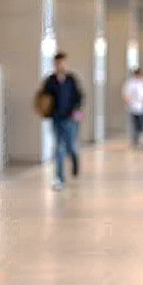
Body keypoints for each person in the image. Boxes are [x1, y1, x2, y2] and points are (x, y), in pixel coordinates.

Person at [40, 52, 83, 190]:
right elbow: (43, 98)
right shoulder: (50, 81)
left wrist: (77, 111)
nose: (60, 65)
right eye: (58, 63)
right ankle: (59, 178)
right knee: (59, 147)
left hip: (70, 119)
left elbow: (79, 97)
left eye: (62, 62)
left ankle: (74, 159)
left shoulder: (71, 79)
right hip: (56, 118)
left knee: (71, 146)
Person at [122, 68, 143, 149]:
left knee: (142, 125)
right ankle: (136, 141)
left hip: (142, 107)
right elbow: (126, 94)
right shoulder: (130, 83)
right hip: (133, 107)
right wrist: (128, 102)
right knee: (135, 125)